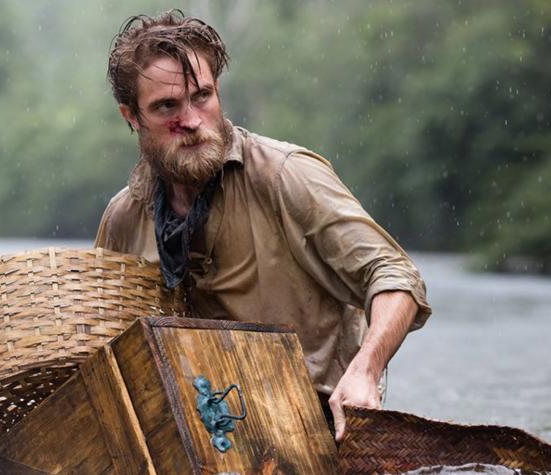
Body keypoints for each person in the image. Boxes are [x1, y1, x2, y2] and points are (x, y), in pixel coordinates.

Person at [94, 10, 431, 441]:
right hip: (188, 438)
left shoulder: (285, 175)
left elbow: (397, 277)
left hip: (314, 426)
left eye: (202, 96)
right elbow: (98, 348)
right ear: (131, 117)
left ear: (219, 93)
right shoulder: (123, 218)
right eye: (166, 107)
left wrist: (366, 370)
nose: (192, 121)